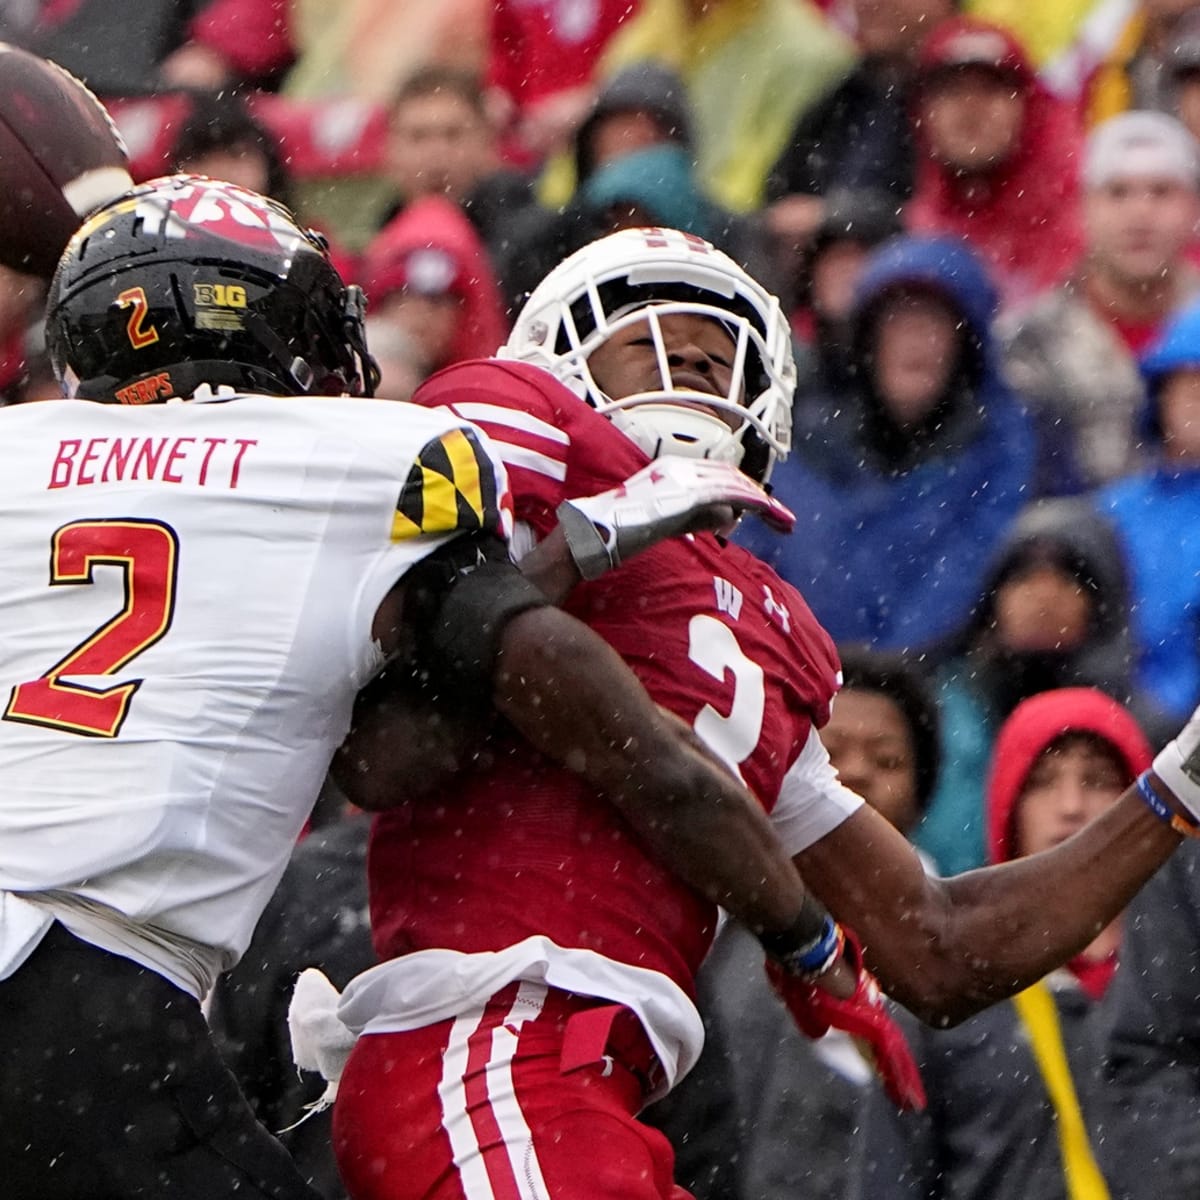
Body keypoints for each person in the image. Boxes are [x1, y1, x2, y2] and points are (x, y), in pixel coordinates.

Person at [0, 178, 841, 1200]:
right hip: (83, 976)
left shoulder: (17, 451)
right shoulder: (364, 457)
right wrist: (586, 540)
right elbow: (405, 754)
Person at [322, 226, 1200, 1200]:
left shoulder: (762, 619)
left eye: (719, 345)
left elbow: (938, 947)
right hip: (491, 1034)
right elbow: (377, 750)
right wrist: (575, 547)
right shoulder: (517, 432)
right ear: (563, 360)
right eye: (648, 333)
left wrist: (1178, 784)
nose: (692, 357)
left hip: (602, 1085)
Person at [852, 687, 1151, 1200]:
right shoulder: (946, 989)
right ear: (1007, 807)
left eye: (1099, 781)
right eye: (1041, 783)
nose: (1072, 806)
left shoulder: (1178, 987)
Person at [741, 233, 1075, 658]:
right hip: (789, 673)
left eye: (935, 321)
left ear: (967, 347)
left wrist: (882, 673)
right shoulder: (796, 442)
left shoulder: (1013, 454)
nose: (916, 338)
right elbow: (753, 563)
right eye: (898, 319)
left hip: (944, 683)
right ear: (867, 342)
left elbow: (970, 577)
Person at [923, 495, 1136, 874]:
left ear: (1103, 600)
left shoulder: (1143, 724)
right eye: (1022, 575)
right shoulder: (940, 714)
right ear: (993, 597)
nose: (1043, 594)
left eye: (1068, 576)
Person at [1001, 110, 1200, 488]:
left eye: (1161, 191)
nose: (1140, 213)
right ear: (1082, 210)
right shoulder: (1024, 344)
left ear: (1194, 209)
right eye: (1117, 192)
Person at [906, 15, 1086, 309]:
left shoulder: (1088, 206)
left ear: (1030, 106)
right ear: (922, 112)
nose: (971, 109)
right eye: (952, 91)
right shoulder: (918, 223)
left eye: (990, 90)